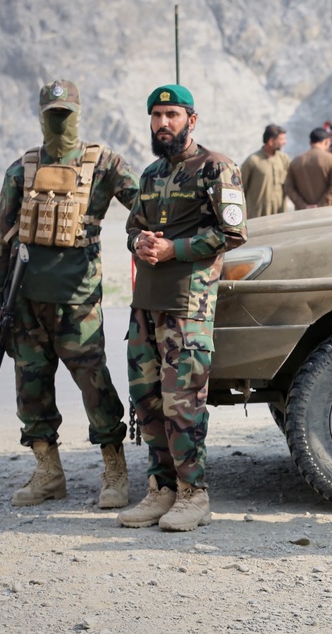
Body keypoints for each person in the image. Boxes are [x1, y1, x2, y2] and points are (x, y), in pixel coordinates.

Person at [0, 79, 139, 508]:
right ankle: (48, 472)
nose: (59, 122)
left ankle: (114, 468)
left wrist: (146, 239)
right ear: (40, 115)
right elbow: (0, 242)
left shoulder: (104, 164)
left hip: (78, 302)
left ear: (78, 113)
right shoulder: (21, 170)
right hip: (25, 303)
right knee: (30, 387)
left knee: (95, 385)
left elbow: (145, 207)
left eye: (66, 115)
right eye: (52, 114)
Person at [118, 84, 247, 532]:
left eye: (172, 114)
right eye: (156, 116)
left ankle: (194, 495)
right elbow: (132, 227)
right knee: (148, 400)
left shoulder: (216, 168)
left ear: (192, 119)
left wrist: (176, 248)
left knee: (183, 402)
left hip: (187, 307)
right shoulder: (151, 175)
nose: (163, 123)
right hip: (146, 307)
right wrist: (142, 241)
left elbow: (232, 233)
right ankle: (162, 490)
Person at [284, 128, 332, 209]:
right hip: (328, 210)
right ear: (326, 141)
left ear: (310, 142)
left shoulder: (296, 161)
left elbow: (288, 188)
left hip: (303, 214)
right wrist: (320, 205)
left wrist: (303, 205)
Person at [240, 124, 290, 218]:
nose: (285, 142)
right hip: (257, 217)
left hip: (280, 215)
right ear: (271, 141)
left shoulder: (284, 159)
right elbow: (240, 189)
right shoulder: (253, 161)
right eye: (282, 139)